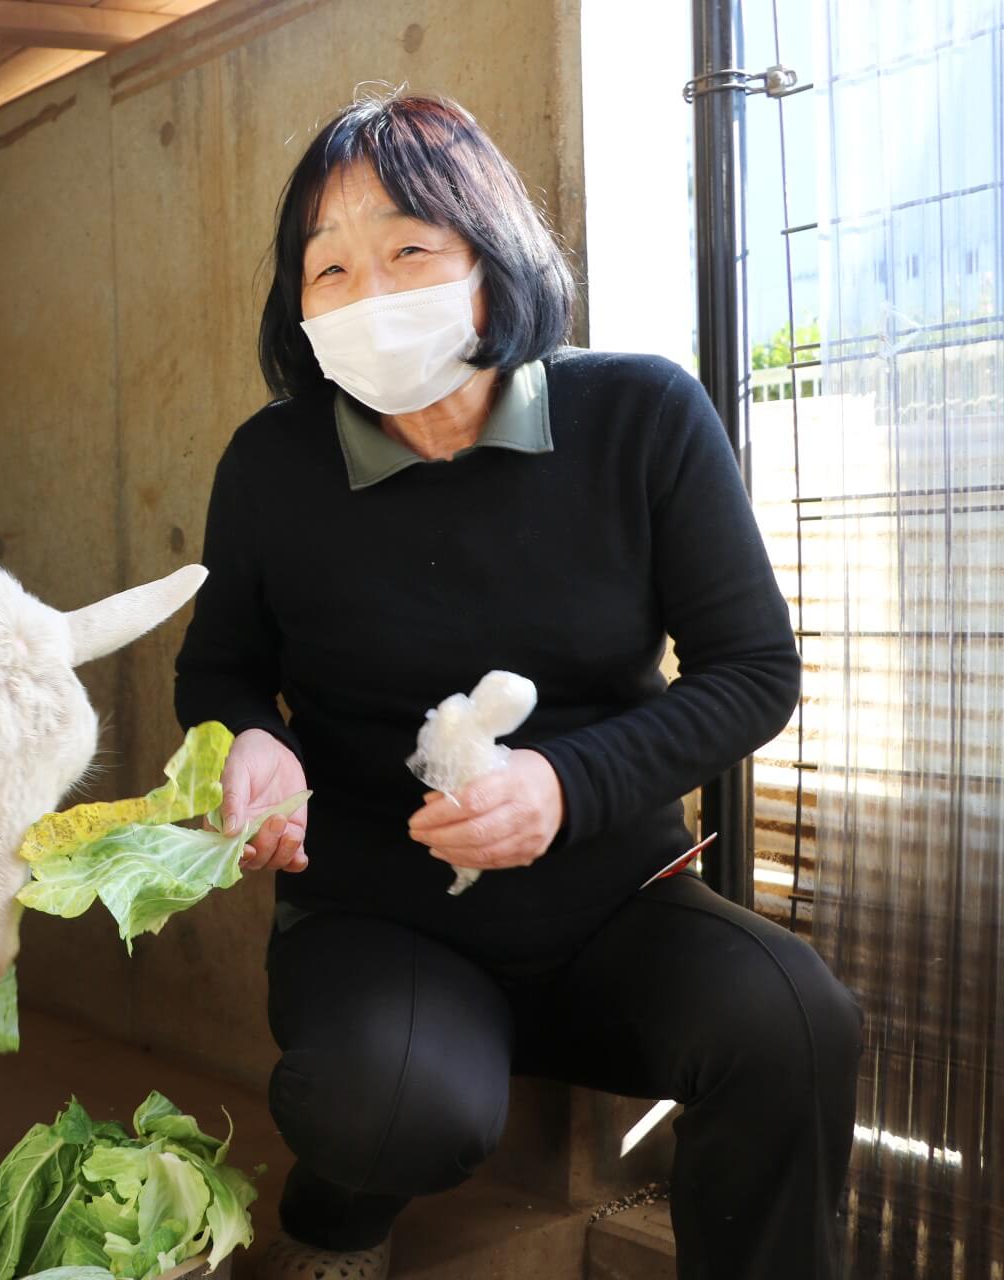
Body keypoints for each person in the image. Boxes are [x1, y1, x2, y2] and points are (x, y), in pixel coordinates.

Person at [172, 92, 863, 1280]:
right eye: (327, 267)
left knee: (798, 1020)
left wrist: (564, 783)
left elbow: (754, 670)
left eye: (408, 250)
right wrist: (245, 737)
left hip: (615, 899)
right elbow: (219, 666)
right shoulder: (273, 464)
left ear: (492, 259)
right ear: (299, 303)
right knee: (389, 1106)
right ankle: (339, 1218)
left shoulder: (642, 416)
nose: (368, 292)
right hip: (378, 911)